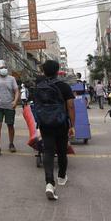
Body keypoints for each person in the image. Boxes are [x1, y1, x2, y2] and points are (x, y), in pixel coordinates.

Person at [35, 60, 75, 200]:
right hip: (61, 123)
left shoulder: (39, 86)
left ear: (44, 72)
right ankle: (62, 177)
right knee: (62, 150)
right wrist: (72, 125)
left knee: (48, 151)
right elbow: (70, 106)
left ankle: (49, 184)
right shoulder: (64, 86)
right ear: (58, 71)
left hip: (45, 124)